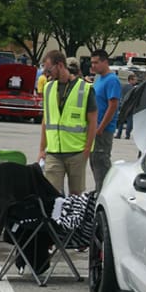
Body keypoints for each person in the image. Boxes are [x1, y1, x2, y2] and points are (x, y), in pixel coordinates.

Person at [37, 50, 97, 196]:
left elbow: (93, 121)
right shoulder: (48, 87)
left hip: (76, 152)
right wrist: (41, 149)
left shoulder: (85, 89)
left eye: (48, 70)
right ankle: (54, 219)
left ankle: (73, 219)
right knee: (51, 194)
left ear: (60, 65)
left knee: (76, 196)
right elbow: (46, 120)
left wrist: (87, 149)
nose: (46, 74)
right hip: (53, 153)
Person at [88, 49, 122, 193]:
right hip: (93, 129)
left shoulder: (112, 80)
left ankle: (104, 195)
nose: (93, 66)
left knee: (101, 164)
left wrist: (101, 128)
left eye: (96, 62)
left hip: (103, 131)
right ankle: (98, 193)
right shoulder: (98, 79)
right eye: (92, 63)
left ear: (105, 62)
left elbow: (113, 105)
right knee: (95, 163)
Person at [115, 73, 137, 140]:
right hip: (130, 107)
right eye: (135, 80)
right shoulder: (133, 89)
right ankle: (127, 135)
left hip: (123, 106)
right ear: (130, 80)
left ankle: (119, 134)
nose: (136, 81)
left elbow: (120, 96)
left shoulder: (123, 87)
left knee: (121, 120)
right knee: (129, 121)